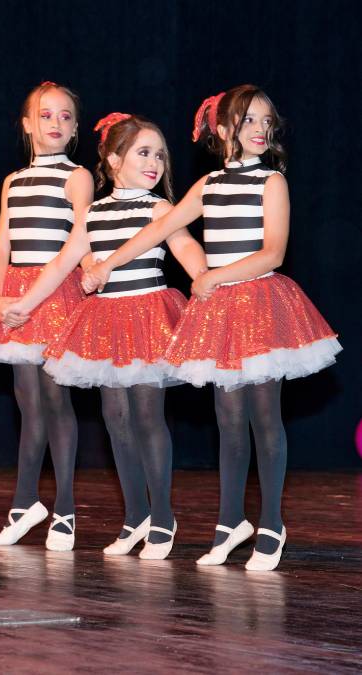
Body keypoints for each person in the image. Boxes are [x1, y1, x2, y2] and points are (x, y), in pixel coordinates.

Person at [84, 85, 342, 571]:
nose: (261, 130)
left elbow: (273, 253)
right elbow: (155, 232)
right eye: (249, 121)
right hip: (222, 311)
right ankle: (230, 522)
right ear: (223, 131)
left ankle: (271, 523)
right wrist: (105, 266)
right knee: (228, 420)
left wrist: (212, 277)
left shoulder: (272, 183)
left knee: (264, 418)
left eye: (267, 121)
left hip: (260, 303)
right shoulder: (207, 186)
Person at [4, 113, 207, 559]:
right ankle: (135, 517)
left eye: (159, 155)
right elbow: (61, 264)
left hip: (148, 314)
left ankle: (164, 518)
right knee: (115, 418)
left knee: (148, 415)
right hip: (107, 322)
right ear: (114, 159)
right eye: (143, 153)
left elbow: (185, 244)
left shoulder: (158, 208)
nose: (154, 163)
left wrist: (205, 276)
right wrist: (25, 304)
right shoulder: (94, 212)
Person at [0, 81, 93, 551]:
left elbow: (82, 239)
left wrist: (32, 299)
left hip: (54, 294)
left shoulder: (77, 176)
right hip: (16, 295)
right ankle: (24, 503)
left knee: (56, 400)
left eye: (64, 116)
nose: (55, 123)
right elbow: (2, 243)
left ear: (76, 127)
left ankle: (65, 509)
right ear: (27, 125)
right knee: (28, 401)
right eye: (45, 115)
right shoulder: (13, 181)